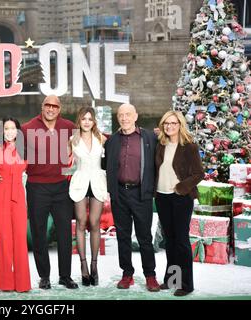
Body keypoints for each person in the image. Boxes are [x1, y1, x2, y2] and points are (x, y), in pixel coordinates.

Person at [0, 95, 78, 290]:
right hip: (37, 186)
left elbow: (78, 154)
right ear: (42, 107)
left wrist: (68, 173)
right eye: (47, 105)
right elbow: (6, 146)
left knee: (65, 233)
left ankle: (65, 276)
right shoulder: (27, 128)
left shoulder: (69, 126)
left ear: (59, 108)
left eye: (54, 106)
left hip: (61, 188)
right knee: (39, 233)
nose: (50, 109)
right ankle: (44, 276)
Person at [102, 103, 160, 292]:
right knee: (123, 237)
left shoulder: (149, 137)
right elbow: (105, 165)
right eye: (121, 115)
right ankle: (127, 274)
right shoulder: (111, 141)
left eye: (128, 114)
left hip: (141, 193)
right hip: (119, 194)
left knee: (144, 237)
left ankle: (150, 275)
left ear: (136, 116)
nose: (124, 118)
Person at [155, 111, 204, 297]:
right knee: (170, 240)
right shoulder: (160, 145)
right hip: (162, 197)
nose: (169, 126)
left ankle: (186, 284)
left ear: (180, 125)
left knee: (181, 241)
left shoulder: (189, 147)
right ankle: (172, 279)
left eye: (173, 123)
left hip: (181, 198)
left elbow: (199, 173)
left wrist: (182, 187)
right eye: (166, 123)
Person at [69, 106, 108, 286]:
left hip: (98, 183)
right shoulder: (72, 140)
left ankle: (94, 266)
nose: (86, 122)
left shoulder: (102, 138)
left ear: (94, 121)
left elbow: (107, 162)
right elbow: (64, 163)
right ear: (79, 120)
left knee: (94, 223)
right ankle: (83, 266)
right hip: (80, 183)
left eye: (89, 119)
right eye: (83, 118)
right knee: (81, 222)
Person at [0, 116, 31, 293]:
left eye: (12, 128)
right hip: (1, 193)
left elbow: (38, 171)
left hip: (18, 195)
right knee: (3, 238)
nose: (9, 132)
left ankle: (23, 283)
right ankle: (5, 283)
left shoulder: (26, 149)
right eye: (6, 129)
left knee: (20, 240)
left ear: (18, 131)